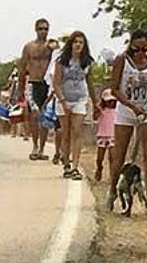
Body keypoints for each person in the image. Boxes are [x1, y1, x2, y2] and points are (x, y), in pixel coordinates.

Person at [107, 30, 147, 220]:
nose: (141, 53)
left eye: (145, 49)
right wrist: (131, 105)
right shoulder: (121, 61)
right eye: (137, 49)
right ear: (130, 47)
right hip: (126, 111)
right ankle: (112, 191)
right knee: (120, 155)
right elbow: (114, 89)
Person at [52, 31, 98, 180]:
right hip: (64, 99)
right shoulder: (62, 61)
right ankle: (66, 162)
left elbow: (89, 83)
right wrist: (63, 101)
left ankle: (75, 166)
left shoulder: (87, 62)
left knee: (77, 131)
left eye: (81, 42)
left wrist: (95, 102)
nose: (78, 45)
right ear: (70, 44)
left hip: (80, 99)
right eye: (75, 42)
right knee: (66, 133)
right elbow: (56, 83)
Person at [18, 18, 53, 160]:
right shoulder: (29, 47)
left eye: (45, 29)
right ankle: (35, 145)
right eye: (40, 29)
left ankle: (42, 148)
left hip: (47, 84)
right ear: (36, 30)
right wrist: (20, 88)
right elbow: (22, 67)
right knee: (34, 115)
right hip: (33, 82)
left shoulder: (51, 46)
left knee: (45, 117)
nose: (43, 31)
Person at [43, 37, 63, 164]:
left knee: (72, 129)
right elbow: (53, 79)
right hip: (60, 99)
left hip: (75, 98)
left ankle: (65, 153)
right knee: (60, 129)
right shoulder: (58, 58)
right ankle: (58, 152)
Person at [94, 88, 117, 182]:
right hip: (102, 135)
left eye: (112, 101)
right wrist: (97, 109)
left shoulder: (117, 110)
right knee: (99, 158)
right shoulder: (101, 110)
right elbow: (95, 117)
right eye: (108, 101)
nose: (110, 103)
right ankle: (99, 168)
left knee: (112, 157)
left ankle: (112, 177)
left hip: (113, 136)